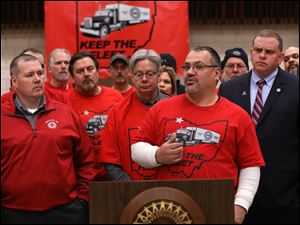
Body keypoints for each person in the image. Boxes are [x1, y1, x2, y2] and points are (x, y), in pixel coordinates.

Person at [131, 46, 265, 224]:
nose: (190, 72)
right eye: (187, 67)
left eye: (199, 67)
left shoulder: (238, 116)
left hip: (217, 207)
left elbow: (250, 165)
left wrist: (241, 205)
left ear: (217, 73)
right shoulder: (161, 109)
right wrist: (156, 155)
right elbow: (136, 148)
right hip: (168, 208)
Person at [1, 54, 96, 224]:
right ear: (14, 81)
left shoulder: (65, 113)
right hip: (12, 213)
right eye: (30, 75)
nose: (37, 79)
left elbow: (86, 161)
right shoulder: (2, 116)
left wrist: (83, 200)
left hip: (66, 211)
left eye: (40, 73)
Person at [219, 30, 299, 224]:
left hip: (285, 194)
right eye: (258, 50)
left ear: (280, 57)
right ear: (251, 52)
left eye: (269, 52)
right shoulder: (229, 89)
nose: (262, 55)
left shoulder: (296, 87)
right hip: (237, 192)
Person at [100, 49, 169, 181]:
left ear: (158, 75)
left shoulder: (174, 107)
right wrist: (130, 188)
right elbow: (110, 162)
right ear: (131, 77)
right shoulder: (117, 112)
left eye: (149, 74)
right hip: (131, 193)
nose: (144, 79)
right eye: (138, 74)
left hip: (169, 191)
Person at [67, 51, 123, 181]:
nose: (86, 74)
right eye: (80, 71)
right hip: (81, 176)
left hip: (115, 173)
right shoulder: (64, 102)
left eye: (90, 69)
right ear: (72, 77)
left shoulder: (116, 97)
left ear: (97, 72)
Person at [2, 49, 70, 105]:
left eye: (41, 66)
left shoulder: (60, 98)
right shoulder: (5, 101)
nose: (37, 68)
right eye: (30, 73)